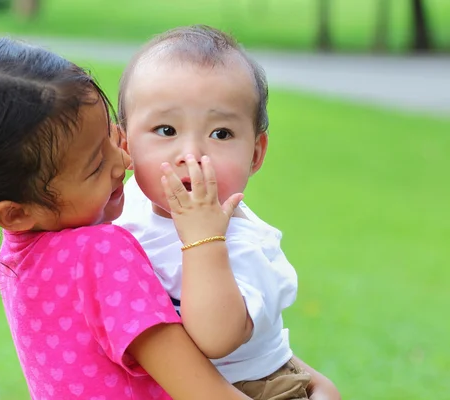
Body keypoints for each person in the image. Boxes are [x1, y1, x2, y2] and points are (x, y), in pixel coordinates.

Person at [0, 36, 254, 399]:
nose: (123, 162)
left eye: (112, 137)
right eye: (96, 166)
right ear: (16, 213)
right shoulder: (101, 253)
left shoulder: (15, 256)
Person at [115, 25, 340, 399]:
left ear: (255, 154)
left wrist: (204, 240)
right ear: (125, 144)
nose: (191, 154)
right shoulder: (128, 203)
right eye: (166, 129)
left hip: (257, 389)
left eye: (220, 134)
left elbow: (216, 338)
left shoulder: (248, 247)